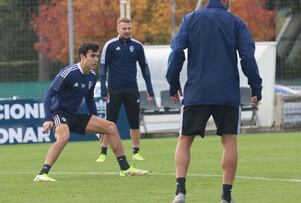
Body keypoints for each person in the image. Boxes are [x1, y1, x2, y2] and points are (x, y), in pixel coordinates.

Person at [166, 0, 262, 202]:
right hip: (226, 92)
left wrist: (173, 84)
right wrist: (256, 87)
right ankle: (226, 196)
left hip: (197, 91)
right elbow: (247, 56)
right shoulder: (236, 22)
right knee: (229, 141)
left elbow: (176, 53)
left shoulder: (190, 20)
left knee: (185, 139)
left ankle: (180, 192)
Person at [33, 42, 148, 182]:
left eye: (97, 56)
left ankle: (125, 169)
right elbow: (49, 95)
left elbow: (89, 100)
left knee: (110, 127)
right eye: (92, 56)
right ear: (82, 56)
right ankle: (42, 173)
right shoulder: (68, 72)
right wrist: (48, 118)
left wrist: (97, 123)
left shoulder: (92, 77)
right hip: (59, 113)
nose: (95, 60)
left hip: (74, 116)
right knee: (64, 137)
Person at [96, 17, 154, 162]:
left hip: (131, 89)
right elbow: (102, 68)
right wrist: (103, 88)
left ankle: (136, 151)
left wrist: (149, 89)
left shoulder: (137, 46)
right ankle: (103, 152)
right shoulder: (110, 45)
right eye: (124, 28)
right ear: (118, 29)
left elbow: (145, 69)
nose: (127, 31)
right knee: (109, 122)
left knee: (134, 121)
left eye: (129, 28)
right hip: (114, 89)